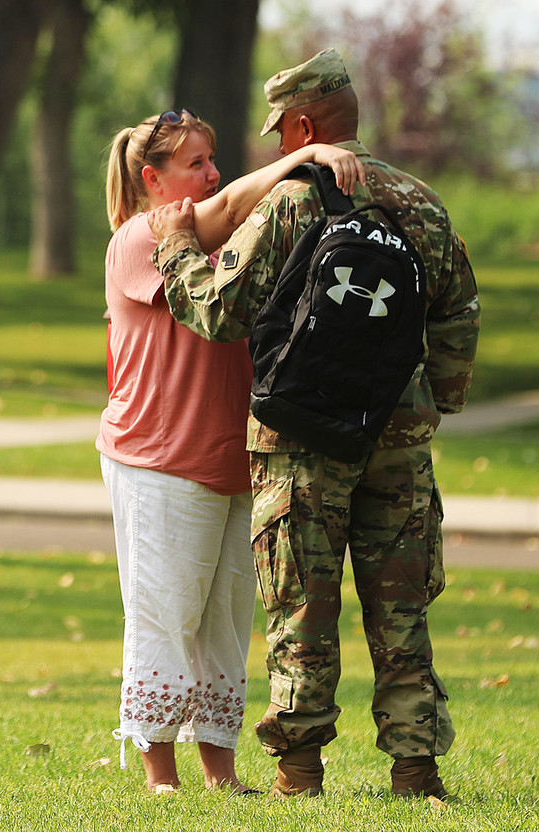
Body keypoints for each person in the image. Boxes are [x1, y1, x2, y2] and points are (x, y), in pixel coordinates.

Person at [148, 50, 481, 800]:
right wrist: (437, 401)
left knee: (301, 605)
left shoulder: (291, 202)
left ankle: (300, 773)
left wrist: (173, 247)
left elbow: (218, 310)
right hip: (397, 440)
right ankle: (415, 772)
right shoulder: (421, 202)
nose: (274, 148)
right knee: (402, 608)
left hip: (301, 439)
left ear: (303, 125)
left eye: (280, 132)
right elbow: (459, 309)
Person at [100, 109, 363, 795]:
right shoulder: (140, 237)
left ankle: (219, 770)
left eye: (214, 158)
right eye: (195, 162)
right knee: (166, 612)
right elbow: (222, 209)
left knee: (223, 621)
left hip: (232, 458)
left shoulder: (224, 243)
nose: (211, 173)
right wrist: (299, 162)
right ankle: (161, 776)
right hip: (157, 459)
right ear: (152, 180)